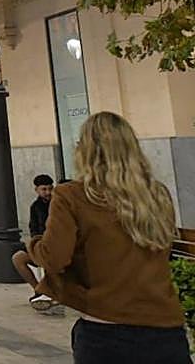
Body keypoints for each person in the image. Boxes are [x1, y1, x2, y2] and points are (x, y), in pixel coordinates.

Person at [28, 112, 187, 362]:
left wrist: (34, 244)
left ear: (85, 151)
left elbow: (54, 257)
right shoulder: (156, 194)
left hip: (106, 327)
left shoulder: (72, 195)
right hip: (165, 327)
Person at [12, 174, 56, 311]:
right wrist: (34, 245)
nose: (48, 193)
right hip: (41, 245)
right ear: (36, 190)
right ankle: (39, 290)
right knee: (18, 258)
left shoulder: (58, 204)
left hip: (56, 246)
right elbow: (34, 229)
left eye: (50, 189)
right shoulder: (35, 206)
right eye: (44, 189)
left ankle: (50, 292)